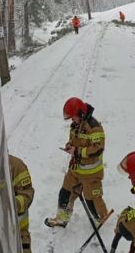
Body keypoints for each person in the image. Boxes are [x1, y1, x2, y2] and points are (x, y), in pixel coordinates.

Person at [45, 97, 108, 227]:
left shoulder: (95, 128)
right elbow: (73, 141)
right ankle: (62, 218)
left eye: (73, 117)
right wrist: (69, 145)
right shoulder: (75, 125)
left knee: (92, 199)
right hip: (75, 170)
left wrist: (78, 151)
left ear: (81, 114)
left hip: (91, 174)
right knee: (65, 193)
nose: (72, 120)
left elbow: (98, 149)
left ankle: (101, 218)